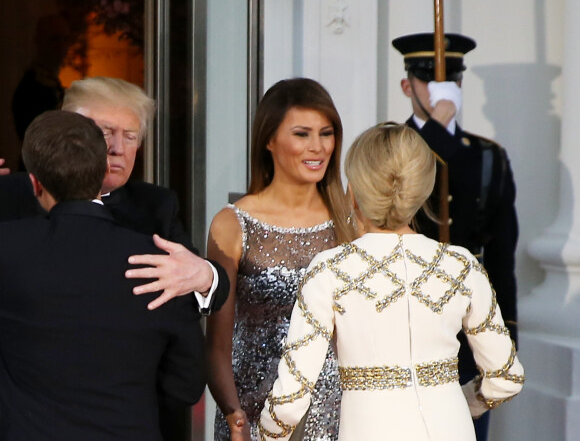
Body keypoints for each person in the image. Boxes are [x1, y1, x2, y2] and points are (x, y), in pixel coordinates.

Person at [258, 122, 524, 441]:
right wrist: (460, 402)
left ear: (353, 193)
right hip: (452, 427)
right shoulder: (461, 265)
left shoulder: (329, 270)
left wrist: (267, 435)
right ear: (421, 191)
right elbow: (505, 377)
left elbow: (288, 403)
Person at [0, 76, 230, 441]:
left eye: (131, 135)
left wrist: (205, 276)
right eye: (104, 133)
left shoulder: (156, 206)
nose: (116, 148)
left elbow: (187, 320)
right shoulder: (9, 196)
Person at [206, 78, 357, 441]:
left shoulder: (351, 220)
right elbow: (216, 346)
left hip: (340, 415)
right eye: (302, 134)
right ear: (269, 140)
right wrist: (233, 415)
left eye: (327, 133)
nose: (318, 147)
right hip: (254, 414)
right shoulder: (232, 224)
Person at [392, 32, 519, 441]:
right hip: (402, 324)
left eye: (450, 81)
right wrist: (439, 123)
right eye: (429, 80)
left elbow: (501, 256)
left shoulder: (485, 156)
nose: (440, 90)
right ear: (407, 85)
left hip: (468, 331)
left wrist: (506, 338)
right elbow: (397, 191)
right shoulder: (389, 149)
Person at [11, 14, 71, 142]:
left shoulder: (52, 84)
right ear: (39, 41)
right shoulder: (30, 88)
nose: (61, 46)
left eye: (65, 39)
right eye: (54, 39)